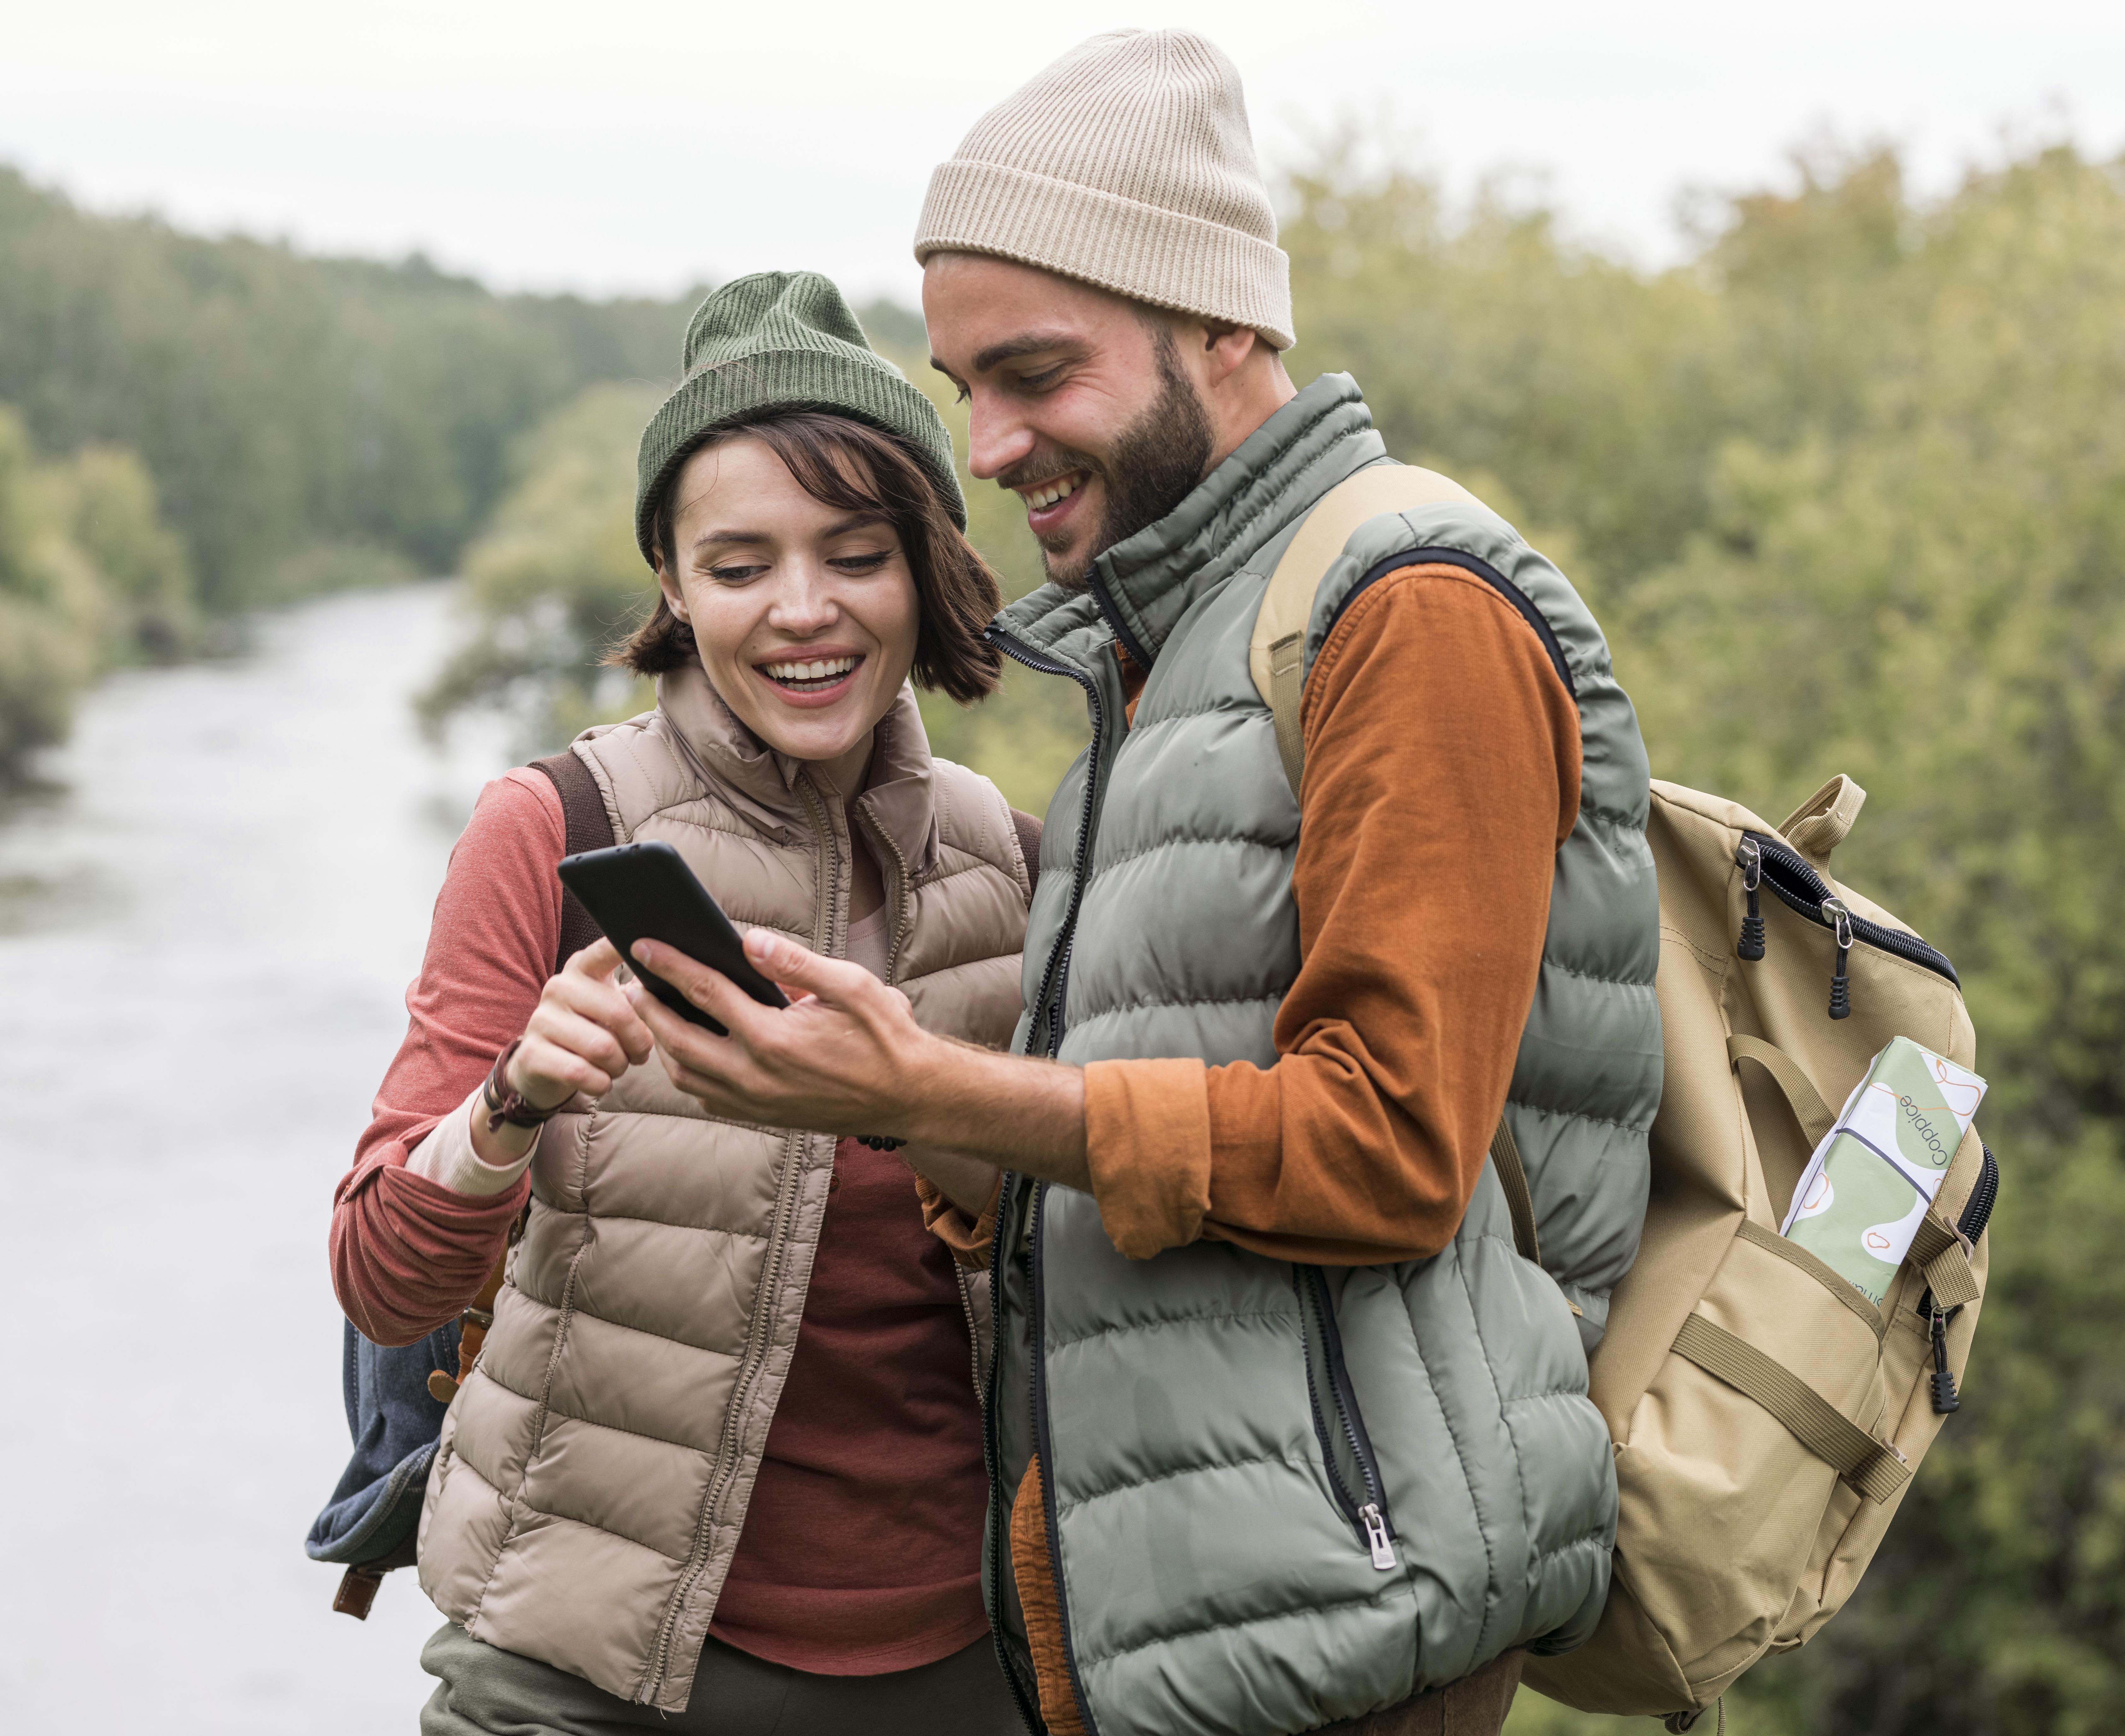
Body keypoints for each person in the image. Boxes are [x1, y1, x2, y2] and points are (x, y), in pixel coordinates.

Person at [622, 31, 1667, 1736]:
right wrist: (878, 1095)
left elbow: (1393, 1149)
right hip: (1198, 1622)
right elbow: (1132, 1137)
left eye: (1035, 371)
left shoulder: (1410, 609)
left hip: (1356, 1621)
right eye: (966, 387)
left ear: (1227, 326)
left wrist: (946, 1083)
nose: (994, 441)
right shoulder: (1169, 642)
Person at [328, 271, 1036, 1735]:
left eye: (856, 554)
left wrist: (924, 1112)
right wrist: (511, 1106)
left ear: (925, 562)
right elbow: (382, 1279)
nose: (803, 611)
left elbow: (1082, 1274)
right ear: (670, 580)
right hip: (579, 1676)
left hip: (959, 1670)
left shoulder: (1008, 862)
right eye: (737, 564)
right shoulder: (555, 827)